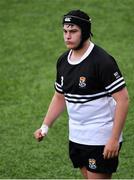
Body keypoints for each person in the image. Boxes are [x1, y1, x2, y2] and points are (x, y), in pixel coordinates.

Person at [34, 9, 129, 179]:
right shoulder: (63, 60)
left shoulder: (102, 61)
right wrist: (45, 126)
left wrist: (114, 139)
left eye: (73, 31)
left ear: (85, 31)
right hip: (77, 136)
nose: (67, 36)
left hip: (101, 136)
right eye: (65, 31)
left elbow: (123, 100)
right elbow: (59, 96)